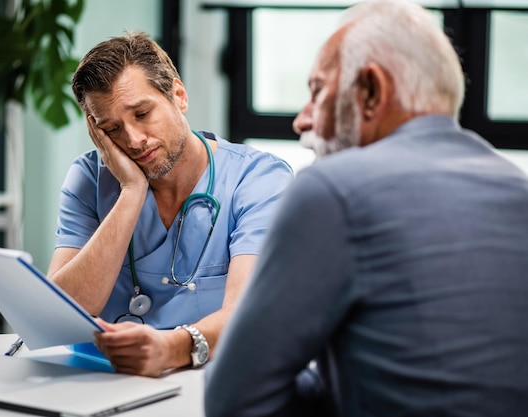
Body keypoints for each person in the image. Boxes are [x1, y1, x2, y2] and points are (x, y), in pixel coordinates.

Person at [204, 0, 528, 416]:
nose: (301, 121)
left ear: (371, 92)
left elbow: (235, 400)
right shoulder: (518, 189)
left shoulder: (332, 190)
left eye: (318, 91)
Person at [46, 31, 293, 377]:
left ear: (178, 95)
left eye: (142, 114)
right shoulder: (90, 180)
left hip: (213, 382)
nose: (133, 140)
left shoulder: (258, 180)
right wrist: (132, 191)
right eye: (112, 128)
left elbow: (249, 312)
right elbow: (60, 315)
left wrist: (171, 348)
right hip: (106, 384)